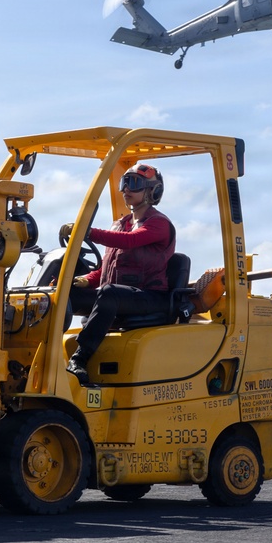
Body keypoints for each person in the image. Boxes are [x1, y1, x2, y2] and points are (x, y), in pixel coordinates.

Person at [61, 163, 176, 385]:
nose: (126, 190)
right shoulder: (120, 225)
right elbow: (107, 267)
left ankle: (80, 359)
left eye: (134, 184)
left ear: (153, 190)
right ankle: (48, 354)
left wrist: (88, 231)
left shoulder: (159, 224)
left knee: (109, 294)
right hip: (119, 296)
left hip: (149, 296)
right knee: (66, 293)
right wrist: (86, 280)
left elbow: (130, 242)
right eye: (124, 184)